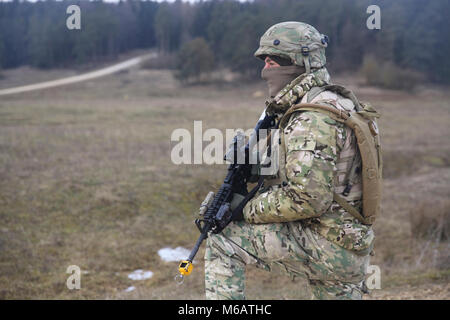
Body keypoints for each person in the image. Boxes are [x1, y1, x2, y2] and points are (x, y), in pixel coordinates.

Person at [204, 21, 381, 300]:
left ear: (298, 63)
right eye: (265, 60)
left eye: (274, 60)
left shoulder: (312, 117)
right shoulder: (337, 102)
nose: (267, 68)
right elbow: (315, 172)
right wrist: (255, 165)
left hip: (328, 246)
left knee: (222, 241)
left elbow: (307, 198)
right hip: (348, 240)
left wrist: (243, 209)